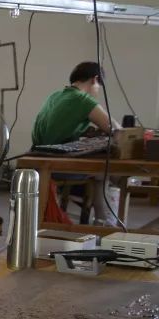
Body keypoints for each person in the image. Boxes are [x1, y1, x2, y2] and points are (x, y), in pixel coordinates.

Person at [31, 61, 121, 225]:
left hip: (36, 161)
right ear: (94, 79)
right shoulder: (83, 100)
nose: (98, 91)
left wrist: (85, 132)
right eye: (99, 86)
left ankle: (97, 219)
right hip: (55, 166)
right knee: (106, 172)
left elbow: (55, 128)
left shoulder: (55, 96)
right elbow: (117, 130)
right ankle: (104, 223)